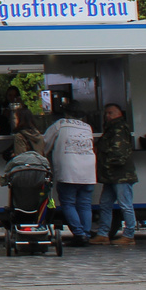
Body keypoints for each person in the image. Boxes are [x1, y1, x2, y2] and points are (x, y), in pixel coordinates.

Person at [43, 104, 97, 246]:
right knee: (85, 204)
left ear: (66, 114)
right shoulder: (87, 127)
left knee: (68, 202)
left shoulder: (60, 125)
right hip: (89, 171)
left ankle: (79, 235)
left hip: (68, 170)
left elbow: (45, 144)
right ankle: (86, 233)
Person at [93, 103, 137, 245]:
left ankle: (129, 235)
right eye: (106, 113)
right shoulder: (113, 129)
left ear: (119, 114)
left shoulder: (118, 129)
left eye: (110, 113)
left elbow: (119, 153)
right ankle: (103, 234)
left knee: (125, 205)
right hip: (112, 175)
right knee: (105, 204)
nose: (107, 116)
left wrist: (105, 164)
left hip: (120, 175)